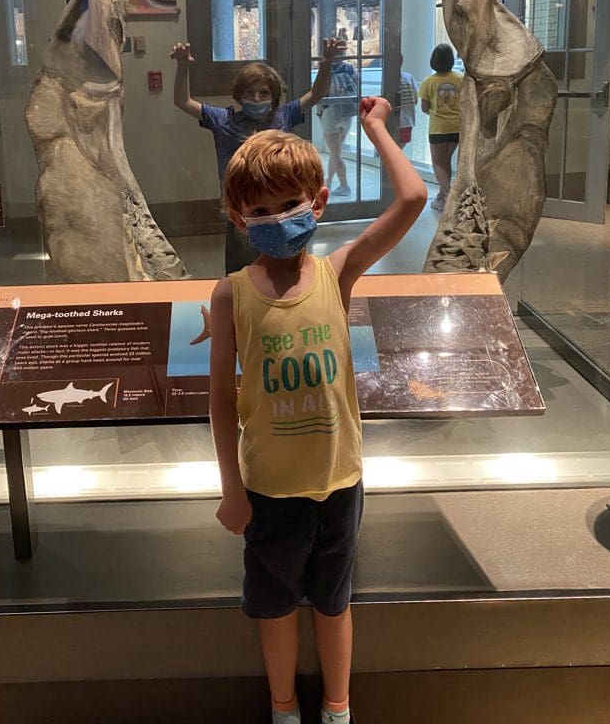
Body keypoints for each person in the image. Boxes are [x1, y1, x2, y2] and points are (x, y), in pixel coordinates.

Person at [208, 102, 427, 724]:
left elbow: (411, 200)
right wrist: (232, 490)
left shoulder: (339, 273)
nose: (278, 219)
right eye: (261, 210)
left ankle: (338, 707)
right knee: (274, 607)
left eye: (290, 204)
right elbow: (221, 397)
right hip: (269, 490)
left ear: (319, 200)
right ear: (238, 216)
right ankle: (283, 708)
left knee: (334, 601)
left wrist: (376, 128)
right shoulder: (230, 294)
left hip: (339, 480)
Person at [171, 39, 345, 273]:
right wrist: (183, 65)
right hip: (243, 206)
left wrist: (327, 62)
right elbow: (182, 101)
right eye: (249, 92)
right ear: (238, 94)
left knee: (286, 265)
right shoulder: (224, 120)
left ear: (274, 96)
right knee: (242, 269)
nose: (256, 98)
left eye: (264, 93)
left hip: (281, 203)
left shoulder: (283, 115)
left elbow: (316, 94)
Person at [418, 43, 463, 211]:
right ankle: (442, 196)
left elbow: (424, 108)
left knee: (437, 163)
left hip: (437, 128)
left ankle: (450, 197)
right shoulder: (460, 78)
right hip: (457, 127)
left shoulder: (428, 82)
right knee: (445, 162)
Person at [316, 37, 358, 197]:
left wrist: (319, 111)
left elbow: (319, 93)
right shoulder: (350, 69)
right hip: (346, 112)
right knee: (336, 150)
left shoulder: (325, 68)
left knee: (335, 151)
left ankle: (344, 185)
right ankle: (330, 182)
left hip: (330, 112)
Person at [397, 55, 418, 149]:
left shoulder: (387, 80)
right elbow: (416, 99)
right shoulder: (409, 77)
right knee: (399, 149)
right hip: (407, 121)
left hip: (391, 121)